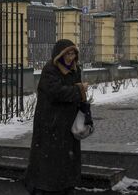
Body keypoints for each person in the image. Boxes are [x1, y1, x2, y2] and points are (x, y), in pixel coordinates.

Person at [24, 39, 90, 195]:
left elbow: (75, 93)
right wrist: (79, 89)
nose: (70, 57)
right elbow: (56, 92)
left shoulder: (75, 69)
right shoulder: (50, 70)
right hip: (50, 123)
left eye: (73, 53)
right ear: (59, 55)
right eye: (67, 53)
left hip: (68, 123)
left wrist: (82, 103)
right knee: (48, 159)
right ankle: (43, 188)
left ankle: (66, 186)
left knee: (67, 158)